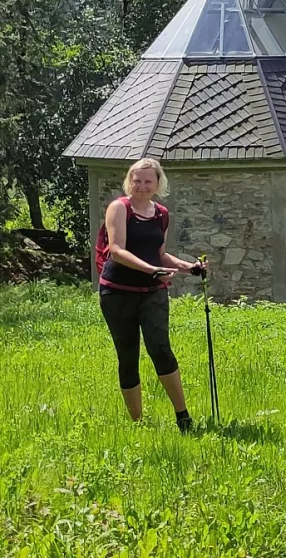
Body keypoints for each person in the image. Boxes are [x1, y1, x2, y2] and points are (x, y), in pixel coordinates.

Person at [98, 158, 206, 432]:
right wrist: (153, 270)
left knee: (161, 349)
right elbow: (117, 251)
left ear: (158, 184)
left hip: (152, 292)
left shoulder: (161, 214)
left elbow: (159, 254)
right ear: (129, 182)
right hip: (117, 292)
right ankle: (138, 423)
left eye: (148, 181)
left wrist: (188, 266)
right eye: (137, 180)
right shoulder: (119, 208)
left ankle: (183, 417)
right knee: (128, 355)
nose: (142, 186)